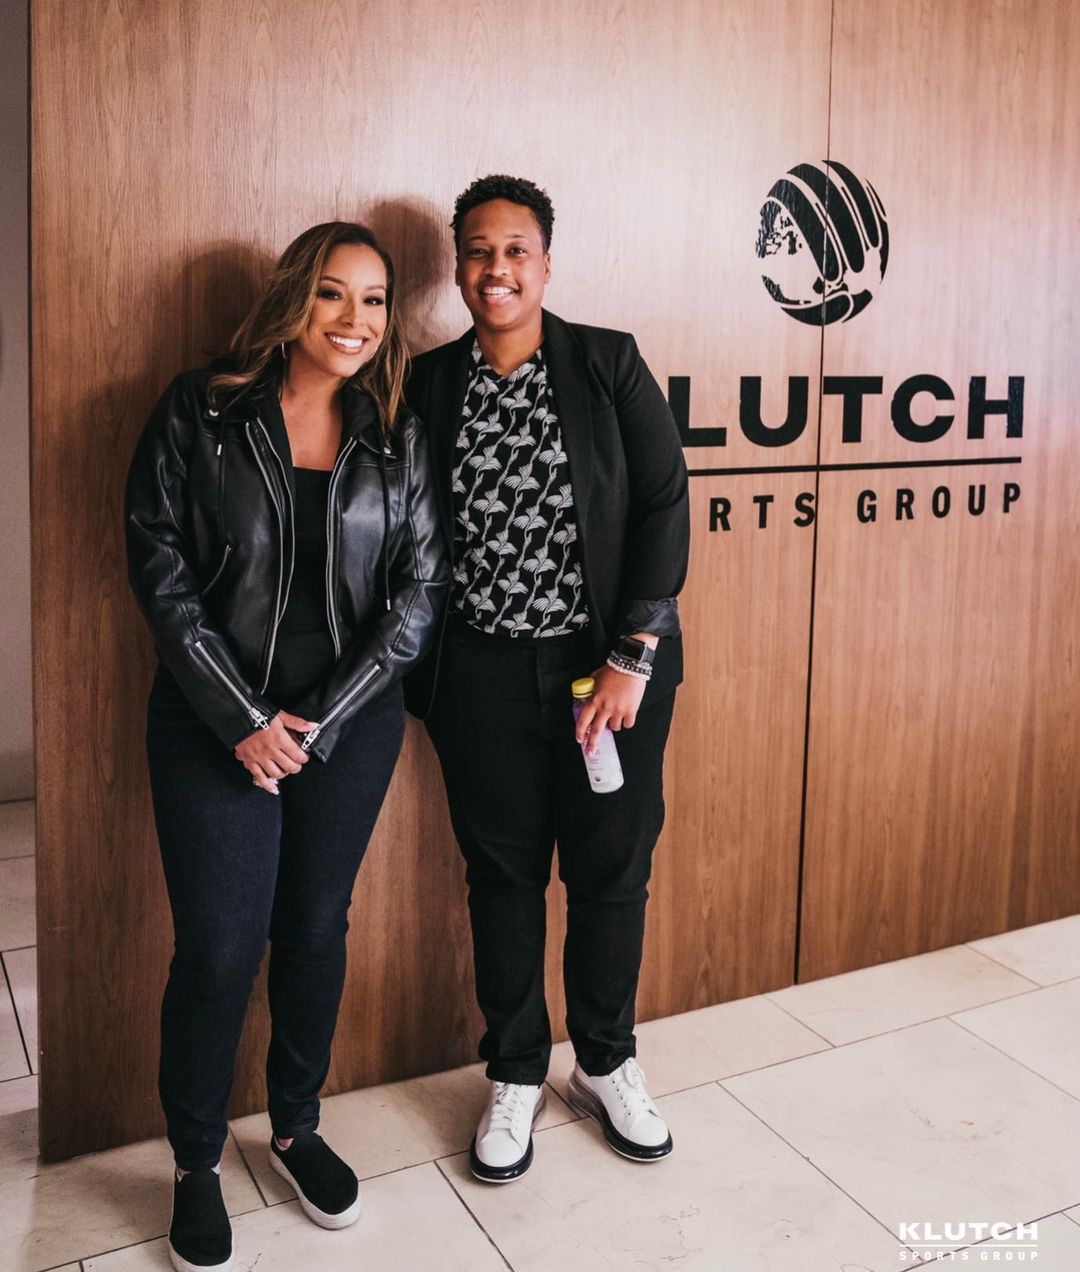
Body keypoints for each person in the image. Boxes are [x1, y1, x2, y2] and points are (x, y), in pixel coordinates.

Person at [125, 221, 447, 1271]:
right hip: (212, 721)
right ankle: (194, 1161)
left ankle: (297, 1127)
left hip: (348, 726)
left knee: (314, 927)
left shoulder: (396, 434)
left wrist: (326, 718)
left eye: (375, 299)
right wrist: (244, 721)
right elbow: (161, 574)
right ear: (293, 300)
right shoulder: (202, 409)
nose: (356, 320)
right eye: (333, 294)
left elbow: (418, 595)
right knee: (221, 947)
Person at [407, 175, 690, 1182]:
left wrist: (631, 657)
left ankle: (605, 1061)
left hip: (603, 674)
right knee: (503, 877)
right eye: (479, 251)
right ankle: (517, 1069)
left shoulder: (607, 363)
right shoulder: (428, 384)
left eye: (515, 250)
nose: (497, 269)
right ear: (459, 267)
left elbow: (662, 503)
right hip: (479, 678)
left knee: (612, 871)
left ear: (546, 264)